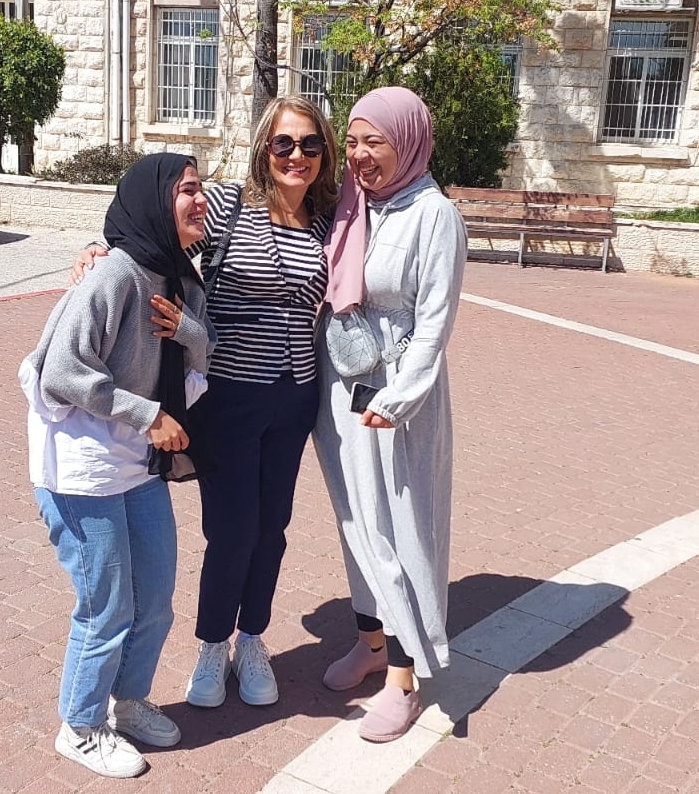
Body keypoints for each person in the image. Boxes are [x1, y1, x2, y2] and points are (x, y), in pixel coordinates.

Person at [71, 96, 338, 710]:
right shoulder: (228, 206)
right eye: (284, 143)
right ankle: (213, 643)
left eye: (310, 144)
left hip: (296, 395)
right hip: (228, 396)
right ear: (264, 148)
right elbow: (151, 219)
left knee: (271, 529)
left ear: (323, 153)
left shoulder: (328, 222)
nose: (297, 156)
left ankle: (252, 639)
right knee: (232, 529)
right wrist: (98, 247)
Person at [19, 153, 215, 779]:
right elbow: (61, 371)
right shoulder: (113, 274)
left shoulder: (180, 277)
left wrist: (189, 331)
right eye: (188, 189)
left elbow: (202, 348)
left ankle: (127, 704)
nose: (200, 200)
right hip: (82, 468)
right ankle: (80, 726)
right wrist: (148, 414)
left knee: (153, 598)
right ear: (155, 201)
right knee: (106, 606)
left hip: (134, 464)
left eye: (202, 188)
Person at [315, 86, 467, 743]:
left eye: (373, 141)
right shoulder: (352, 205)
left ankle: (404, 677)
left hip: (395, 396)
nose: (358, 154)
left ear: (407, 141)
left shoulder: (435, 216)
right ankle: (371, 640)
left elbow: (434, 324)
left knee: (400, 526)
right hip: (339, 388)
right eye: (351, 140)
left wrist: (398, 400)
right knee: (355, 519)